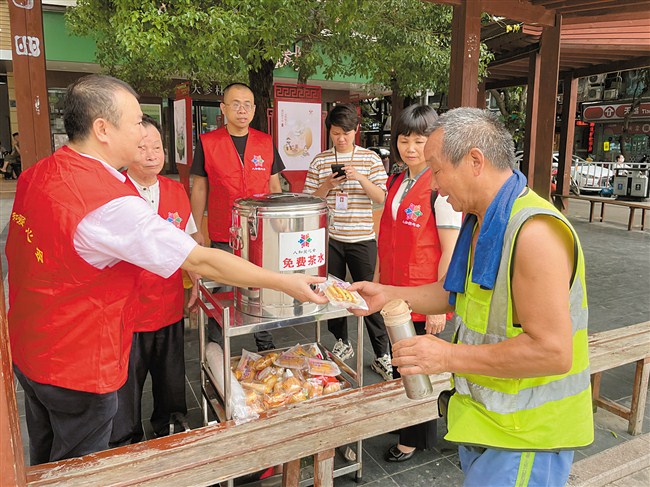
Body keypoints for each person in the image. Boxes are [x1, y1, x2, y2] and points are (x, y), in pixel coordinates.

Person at [6, 74, 325, 465]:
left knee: (45, 459)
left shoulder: (40, 172)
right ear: (103, 129)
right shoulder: (106, 201)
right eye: (137, 120)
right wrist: (284, 282)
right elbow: (199, 258)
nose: (144, 131)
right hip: (77, 361)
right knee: (79, 468)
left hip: (30, 349)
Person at [351, 107, 593, 486]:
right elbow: (453, 295)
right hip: (489, 423)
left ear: (474, 161)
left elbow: (553, 351)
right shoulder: (483, 219)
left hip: (527, 434)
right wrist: (387, 293)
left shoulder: (533, 233)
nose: (432, 184)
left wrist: (446, 355)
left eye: (437, 169)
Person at [376, 105, 461, 462]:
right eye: (404, 139)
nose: (411, 148)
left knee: (416, 364)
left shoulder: (439, 187)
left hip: (425, 293)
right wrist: (379, 281)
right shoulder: (397, 180)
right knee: (402, 361)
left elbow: (449, 248)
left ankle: (415, 436)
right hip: (397, 290)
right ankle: (408, 420)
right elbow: (387, 234)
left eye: (420, 140)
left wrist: (441, 302)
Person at [109, 115, 197, 447]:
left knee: (171, 372)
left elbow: (189, 243)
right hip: (128, 307)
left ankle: (170, 423)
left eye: (157, 147)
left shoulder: (175, 190)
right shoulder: (114, 192)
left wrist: (194, 281)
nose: (151, 154)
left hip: (169, 300)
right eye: (142, 147)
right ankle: (125, 437)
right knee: (127, 379)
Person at [190, 82, 284, 352]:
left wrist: (278, 227)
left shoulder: (265, 142)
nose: (242, 110)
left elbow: (274, 186)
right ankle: (215, 345)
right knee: (221, 291)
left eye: (247, 104)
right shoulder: (208, 143)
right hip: (224, 231)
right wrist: (196, 228)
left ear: (254, 109)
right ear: (223, 108)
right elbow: (200, 187)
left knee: (261, 288)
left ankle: (265, 345)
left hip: (259, 233)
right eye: (235, 104)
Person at [303, 103, 391, 379]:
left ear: (357, 131)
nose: (341, 138)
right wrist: (329, 184)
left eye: (346, 133)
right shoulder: (319, 161)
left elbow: (381, 198)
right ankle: (342, 342)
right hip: (331, 239)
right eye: (336, 133)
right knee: (333, 294)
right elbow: (309, 200)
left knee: (370, 296)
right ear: (329, 131)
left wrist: (360, 178)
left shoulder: (371, 159)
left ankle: (382, 353)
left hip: (363, 238)